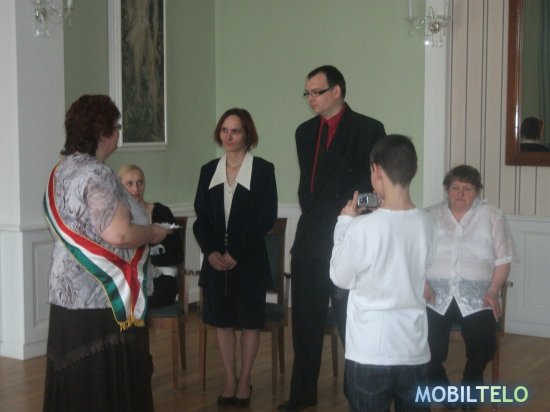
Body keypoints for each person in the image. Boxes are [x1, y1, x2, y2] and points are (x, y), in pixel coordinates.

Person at [42, 95, 169, 412]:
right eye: (116, 126)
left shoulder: (61, 170)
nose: (118, 133)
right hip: (100, 296)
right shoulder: (97, 173)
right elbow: (119, 234)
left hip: (66, 294)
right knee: (100, 383)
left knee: (75, 380)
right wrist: (153, 233)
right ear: (103, 133)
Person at [279, 65, 386, 412]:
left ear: (337, 91)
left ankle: (361, 395)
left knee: (351, 324)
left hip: (349, 237)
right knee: (304, 323)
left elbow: (374, 189)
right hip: (310, 239)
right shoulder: (304, 131)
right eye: (307, 93)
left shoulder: (368, 128)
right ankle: (302, 395)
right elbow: (308, 184)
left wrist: (351, 212)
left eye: (317, 92)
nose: (311, 98)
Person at [330, 135, 435, 412]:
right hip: (414, 349)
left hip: (370, 352)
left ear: (376, 171)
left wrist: (344, 223)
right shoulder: (428, 223)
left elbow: (340, 277)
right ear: (413, 171)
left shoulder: (361, 228)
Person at [193, 108, 277, 408]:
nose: (229, 136)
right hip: (216, 262)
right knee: (223, 322)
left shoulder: (263, 170)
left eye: (236, 131)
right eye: (224, 130)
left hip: (249, 262)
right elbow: (201, 218)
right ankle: (230, 378)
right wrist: (211, 252)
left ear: (247, 134)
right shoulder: (208, 170)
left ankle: (244, 381)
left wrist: (236, 253)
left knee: (250, 323)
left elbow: (265, 217)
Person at [424, 165, 516, 410]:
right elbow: (413, 257)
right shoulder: (428, 216)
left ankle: (470, 384)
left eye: (467, 189)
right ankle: (442, 388)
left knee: (484, 339)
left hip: (478, 295)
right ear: (447, 190)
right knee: (424, 341)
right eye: (455, 188)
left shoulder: (492, 216)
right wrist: (423, 285)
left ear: (477, 191)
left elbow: (503, 260)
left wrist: (493, 291)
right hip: (434, 294)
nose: (461, 194)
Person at [118, 164, 184, 308]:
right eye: (129, 184)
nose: (136, 189)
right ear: (120, 187)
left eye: (139, 183)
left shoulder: (161, 212)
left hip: (162, 281)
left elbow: (176, 255)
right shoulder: (118, 220)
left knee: (131, 301)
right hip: (128, 280)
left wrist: (144, 261)